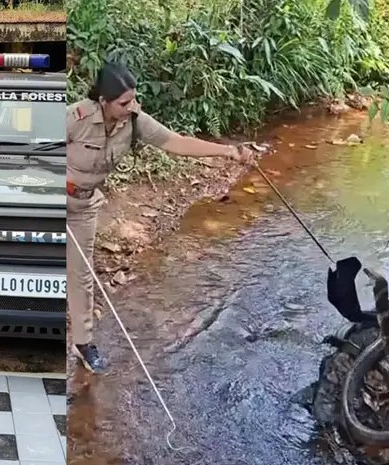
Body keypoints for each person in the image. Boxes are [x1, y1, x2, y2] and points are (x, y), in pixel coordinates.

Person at [66, 62, 254, 373]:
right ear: (103, 101)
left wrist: (227, 152)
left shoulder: (135, 121)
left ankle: (83, 344)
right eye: (124, 103)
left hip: (84, 207)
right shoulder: (75, 118)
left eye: (134, 99)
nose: (131, 107)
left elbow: (175, 142)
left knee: (81, 277)